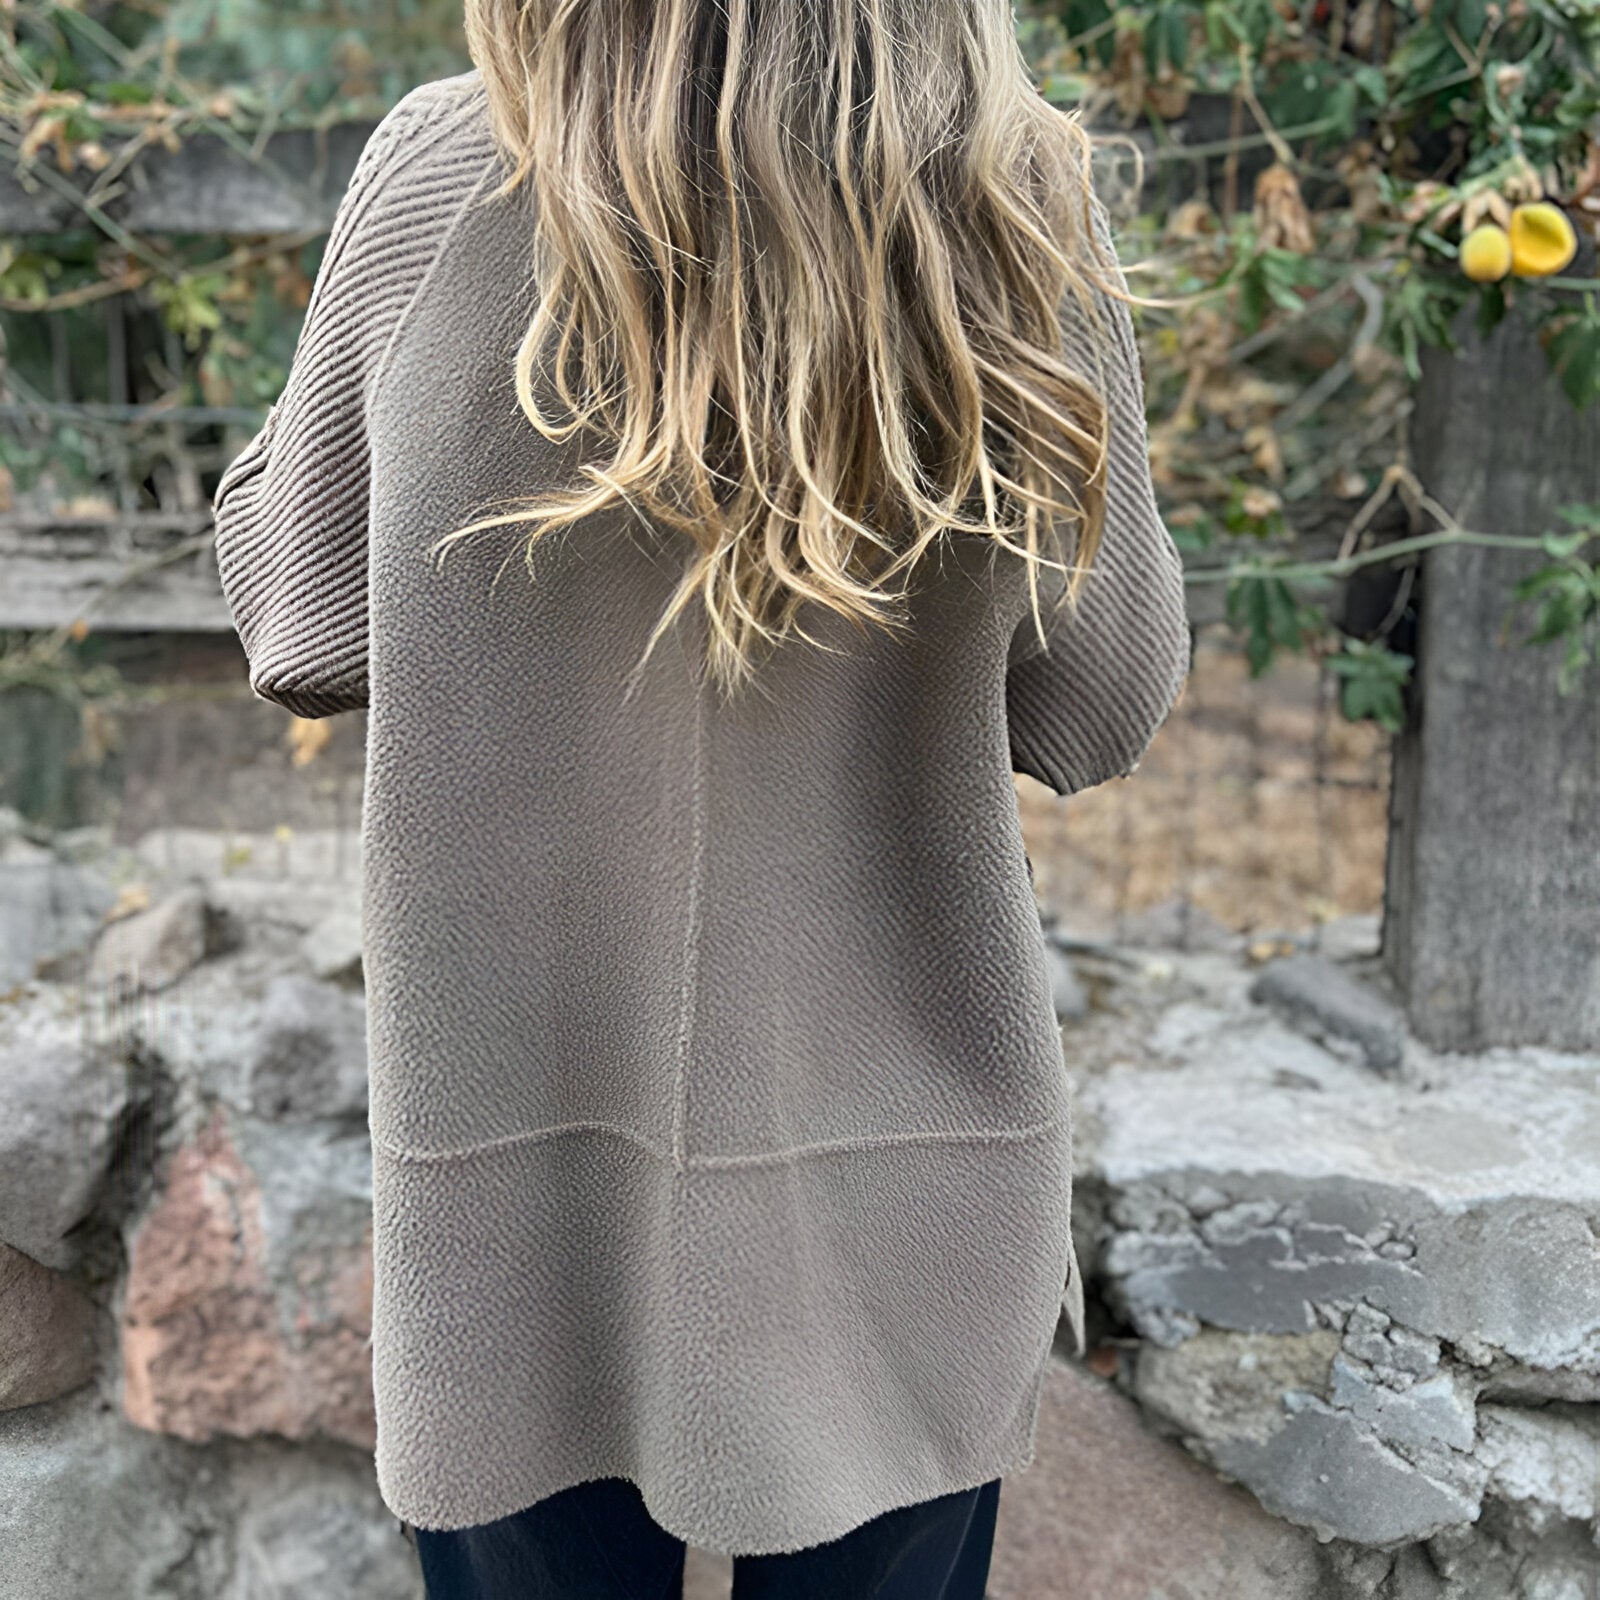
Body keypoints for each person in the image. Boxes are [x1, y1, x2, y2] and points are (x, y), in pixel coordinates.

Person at [210, 1, 1190, 1594]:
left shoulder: (439, 175)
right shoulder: (1014, 205)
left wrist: (299, 462)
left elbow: (301, 617)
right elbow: (1105, 694)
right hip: (914, 1178)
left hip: (514, 1187)